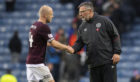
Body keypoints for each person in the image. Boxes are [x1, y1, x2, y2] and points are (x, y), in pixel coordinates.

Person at [68, 2, 121, 82]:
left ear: (89, 11)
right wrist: (72, 49)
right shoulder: (82, 27)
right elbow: (79, 43)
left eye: (82, 12)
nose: (80, 14)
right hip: (93, 65)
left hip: (107, 62)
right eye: (79, 12)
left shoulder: (104, 20)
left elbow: (115, 36)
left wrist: (117, 52)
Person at [26, 5, 73, 82]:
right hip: (37, 63)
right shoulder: (43, 26)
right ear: (45, 15)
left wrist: (50, 44)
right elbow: (54, 43)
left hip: (30, 62)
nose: (52, 16)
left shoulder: (33, 25)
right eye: (51, 14)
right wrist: (67, 47)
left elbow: (38, 43)